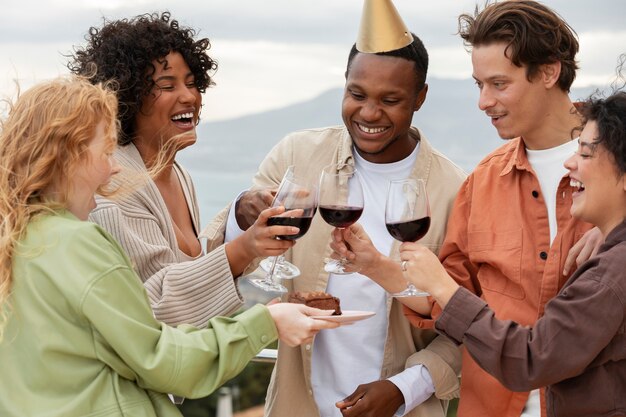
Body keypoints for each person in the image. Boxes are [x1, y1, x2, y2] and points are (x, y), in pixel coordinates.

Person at [0, 76, 341, 416]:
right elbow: (161, 360)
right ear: (70, 155)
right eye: (105, 152)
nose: (115, 167)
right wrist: (267, 322)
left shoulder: (15, 236)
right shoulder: (78, 243)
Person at [336, 2, 602, 416]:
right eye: (479, 84)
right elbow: (450, 303)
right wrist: (375, 265)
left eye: (499, 84)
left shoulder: (616, 164)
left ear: (549, 72)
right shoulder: (481, 183)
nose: (483, 102)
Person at [203, 2, 465, 416]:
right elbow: (226, 265)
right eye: (356, 94)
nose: (369, 113)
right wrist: (241, 218)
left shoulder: (454, 190)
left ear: (420, 97)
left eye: (390, 100)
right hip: (297, 405)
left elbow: (469, 321)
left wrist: (404, 389)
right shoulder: (296, 156)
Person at [398, 90, 626, 417]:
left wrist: (444, 288)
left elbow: (530, 359)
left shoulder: (611, 275)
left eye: (587, 155)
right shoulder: (611, 254)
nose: (570, 162)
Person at [67, 12, 290, 328]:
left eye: (191, 82)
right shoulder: (113, 182)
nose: (189, 96)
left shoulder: (176, 173)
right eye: (167, 85)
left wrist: (240, 216)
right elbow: (152, 309)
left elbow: (189, 265)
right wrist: (245, 248)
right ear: (127, 96)